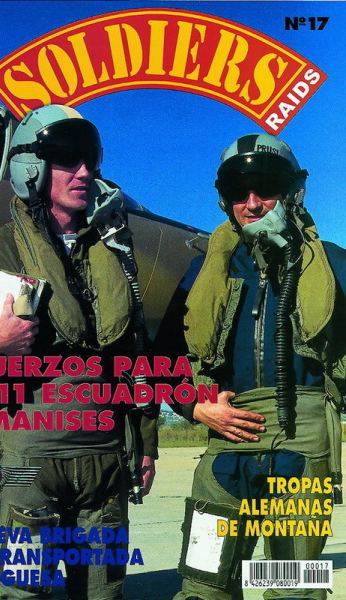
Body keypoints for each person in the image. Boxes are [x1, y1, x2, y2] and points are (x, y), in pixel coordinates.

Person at [0, 104, 158, 600]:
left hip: (105, 459)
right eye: (67, 159)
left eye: (90, 160)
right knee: (24, 592)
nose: (84, 173)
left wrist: (146, 444)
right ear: (30, 168)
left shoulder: (115, 254)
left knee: (103, 593)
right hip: (32, 461)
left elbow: (135, 356)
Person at [158, 133, 346, 600]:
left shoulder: (335, 265)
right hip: (226, 438)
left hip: (303, 444)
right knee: (204, 586)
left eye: (267, 188)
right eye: (239, 192)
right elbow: (161, 360)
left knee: (293, 590)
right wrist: (194, 407)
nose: (253, 203)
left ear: (293, 191)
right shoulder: (203, 272)